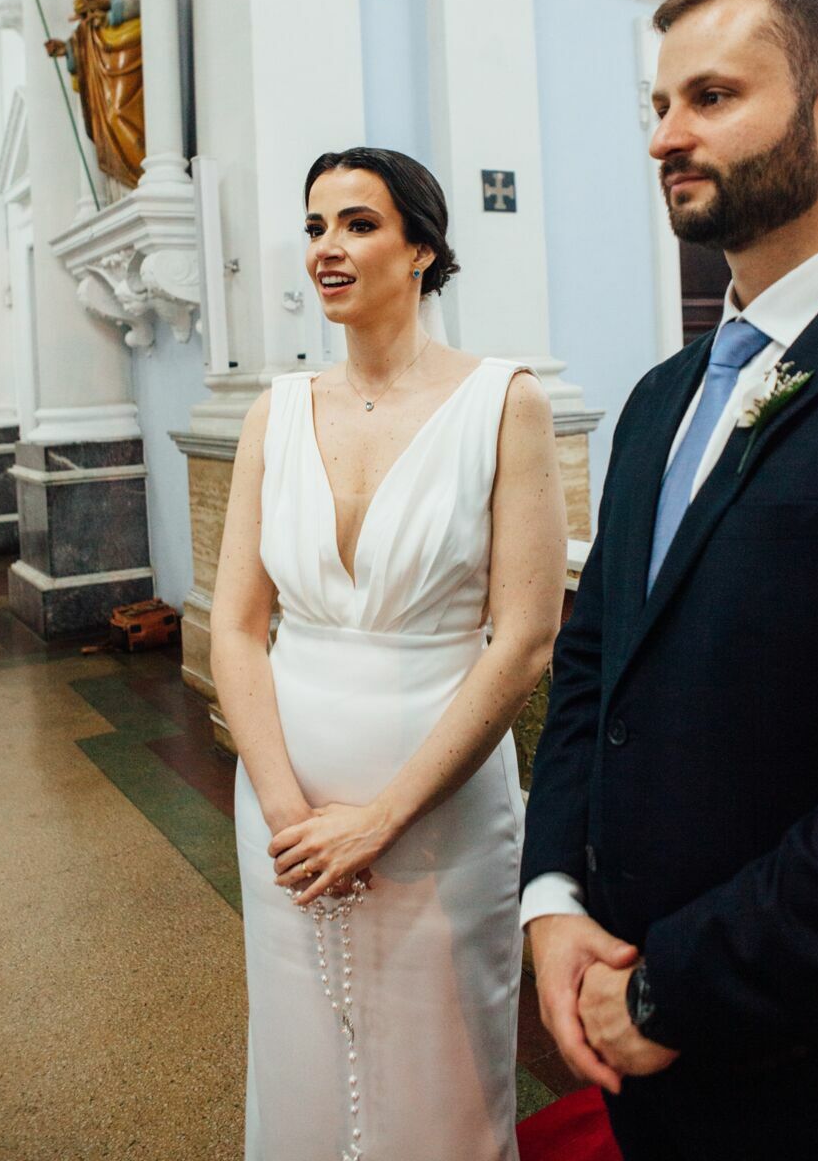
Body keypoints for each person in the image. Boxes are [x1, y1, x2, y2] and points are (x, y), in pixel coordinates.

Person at [521, 0, 818, 1161]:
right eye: (658, 104)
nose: (664, 135)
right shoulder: (658, 397)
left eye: (710, 96)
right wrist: (553, 898)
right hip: (631, 1019)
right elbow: (591, 668)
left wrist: (673, 987)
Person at [211, 147, 566, 1161]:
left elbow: (524, 638)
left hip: (437, 811)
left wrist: (380, 818)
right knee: (301, 1066)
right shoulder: (274, 412)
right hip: (284, 811)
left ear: (420, 249)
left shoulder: (503, 402)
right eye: (315, 225)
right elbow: (235, 624)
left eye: (358, 224)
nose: (326, 247)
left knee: (439, 1080)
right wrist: (285, 809)